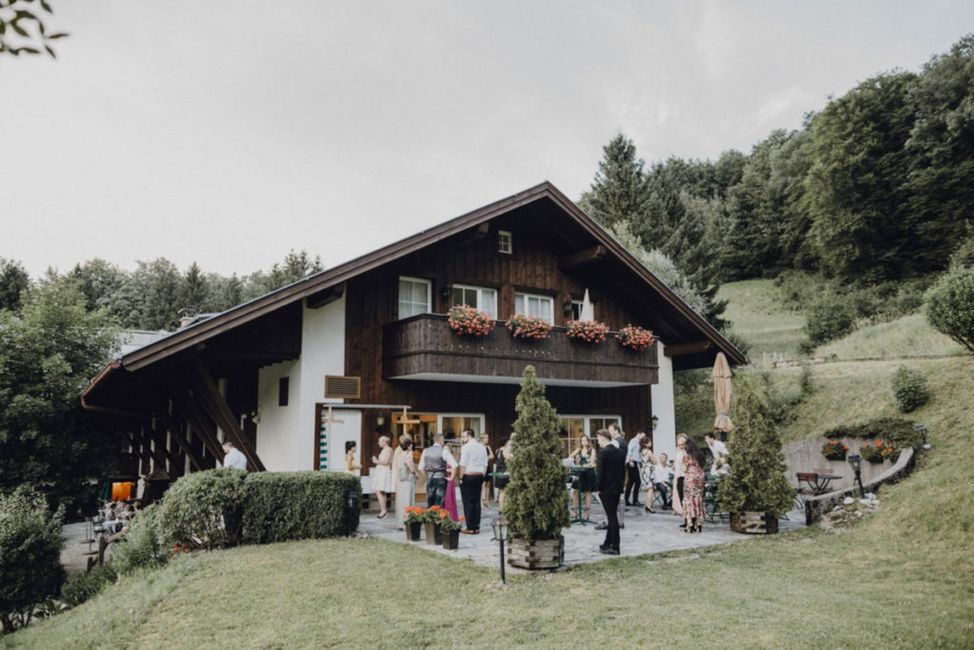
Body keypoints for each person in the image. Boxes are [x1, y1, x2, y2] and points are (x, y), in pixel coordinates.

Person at [595, 428, 625, 555]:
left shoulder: (603, 453)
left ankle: (615, 546)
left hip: (606, 489)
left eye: (598, 439)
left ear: (602, 438)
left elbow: (600, 474)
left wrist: (598, 488)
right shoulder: (619, 452)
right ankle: (607, 543)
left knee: (612, 517)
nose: (598, 442)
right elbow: (623, 472)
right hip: (617, 488)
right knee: (611, 515)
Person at [457, 428, 488, 534]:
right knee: (476, 501)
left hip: (469, 475)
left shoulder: (466, 447)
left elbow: (463, 464)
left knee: (468, 502)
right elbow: (485, 463)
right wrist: (483, 475)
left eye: (464, 436)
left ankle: (470, 527)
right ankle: (476, 526)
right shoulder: (482, 447)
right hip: (479, 475)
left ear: (469, 436)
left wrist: (460, 478)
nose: (463, 438)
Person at [418, 433, 456, 507]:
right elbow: (454, 465)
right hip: (441, 479)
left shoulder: (426, 451)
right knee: (439, 502)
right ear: (441, 440)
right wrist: (451, 478)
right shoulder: (444, 451)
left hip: (430, 478)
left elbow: (421, 467)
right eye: (443, 440)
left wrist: (427, 475)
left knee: (430, 501)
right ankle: (438, 517)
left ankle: (430, 517)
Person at [682, 437, 708, 533]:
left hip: (690, 479)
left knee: (689, 501)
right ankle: (699, 523)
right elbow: (703, 466)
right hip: (700, 478)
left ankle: (690, 524)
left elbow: (684, 469)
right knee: (698, 500)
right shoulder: (700, 455)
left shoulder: (687, 456)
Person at [570, 435, 597, 519]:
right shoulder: (579, 450)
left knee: (587, 492)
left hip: (588, 473)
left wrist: (589, 463)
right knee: (574, 491)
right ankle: (575, 511)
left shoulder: (592, 450)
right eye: (582, 440)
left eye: (585, 440)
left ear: (588, 441)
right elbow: (570, 457)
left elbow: (592, 462)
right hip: (579, 473)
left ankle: (587, 513)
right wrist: (575, 461)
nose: (584, 442)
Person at [394, 437, 419, 530]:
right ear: (408, 446)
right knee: (408, 500)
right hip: (408, 480)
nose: (412, 446)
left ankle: (400, 522)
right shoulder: (409, 454)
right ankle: (407, 522)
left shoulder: (400, 454)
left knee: (401, 501)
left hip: (401, 479)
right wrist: (416, 472)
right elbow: (411, 468)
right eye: (411, 444)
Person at [371, 436, 394, 519]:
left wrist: (376, 461)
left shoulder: (388, 449)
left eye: (380, 441)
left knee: (379, 490)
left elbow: (386, 462)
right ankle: (384, 511)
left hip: (383, 471)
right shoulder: (385, 450)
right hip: (381, 470)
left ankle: (383, 511)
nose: (379, 443)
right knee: (381, 490)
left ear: (385, 442)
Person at [625, 431, 646, 507]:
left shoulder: (637, 442)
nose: (643, 437)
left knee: (631, 482)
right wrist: (630, 460)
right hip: (631, 462)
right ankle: (634, 500)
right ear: (638, 434)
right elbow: (629, 450)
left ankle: (628, 500)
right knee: (638, 481)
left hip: (634, 462)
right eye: (642, 436)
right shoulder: (633, 441)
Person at [494, 438, 512, 511]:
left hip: (498, 472)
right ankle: (505, 508)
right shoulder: (505, 450)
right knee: (506, 492)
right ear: (505, 443)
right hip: (504, 472)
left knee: (501, 492)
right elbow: (509, 459)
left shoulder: (497, 450)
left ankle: (501, 508)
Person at [639, 438, 658, 512]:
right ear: (646, 444)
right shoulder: (649, 451)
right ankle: (649, 507)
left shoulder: (641, 452)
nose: (651, 443)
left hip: (644, 470)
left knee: (648, 488)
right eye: (650, 442)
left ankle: (647, 505)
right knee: (651, 489)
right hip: (649, 471)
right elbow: (655, 461)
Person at [673, 434, 687, 517]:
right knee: (680, 493)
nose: (681, 446)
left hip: (685, 475)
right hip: (678, 475)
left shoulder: (687, 452)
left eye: (682, 444)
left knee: (685, 495)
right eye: (679, 444)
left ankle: (686, 514)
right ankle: (681, 510)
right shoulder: (678, 451)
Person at [481, 433, 495, 508]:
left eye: (488, 438)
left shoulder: (488, 447)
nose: (487, 439)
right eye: (486, 438)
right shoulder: (480, 447)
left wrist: (486, 457)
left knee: (488, 484)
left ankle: (487, 501)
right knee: (482, 485)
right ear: (482, 439)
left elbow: (492, 456)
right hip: (482, 467)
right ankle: (481, 502)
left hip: (488, 467)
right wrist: (487, 457)